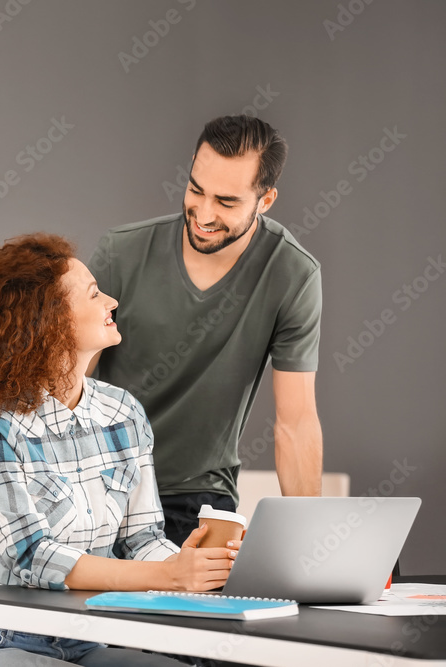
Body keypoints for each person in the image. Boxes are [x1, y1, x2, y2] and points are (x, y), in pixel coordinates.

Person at [0, 234, 240, 667]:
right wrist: (164, 575)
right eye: (95, 293)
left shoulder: (123, 412)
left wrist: (190, 566)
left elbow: (142, 539)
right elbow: (32, 557)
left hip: (85, 639)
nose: (112, 301)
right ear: (47, 321)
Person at [87, 115, 324, 546]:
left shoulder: (292, 274)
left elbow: (296, 422)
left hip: (197, 495)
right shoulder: (121, 253)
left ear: (265, 199)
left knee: (187, 607)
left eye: (227, 202)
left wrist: (311, 543)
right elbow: (66, 380)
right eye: (196, 190)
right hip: (98, 484)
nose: (205, 214)